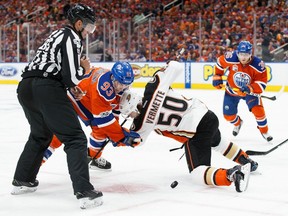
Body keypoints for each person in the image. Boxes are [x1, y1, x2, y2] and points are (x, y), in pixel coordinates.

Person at [11, 4, 103, 209]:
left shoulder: (57, 35)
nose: (88, 31)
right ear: (78, 23)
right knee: (75, 138)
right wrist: (84, 69)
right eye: (88, 26)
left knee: (40, 135)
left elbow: (60, 73)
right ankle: (84, 192)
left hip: (26, 87)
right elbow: (71, 75)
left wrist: (71, 88)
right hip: (46, 88)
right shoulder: (72, 36)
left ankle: (22, 180)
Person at [119, 60, 257, 192]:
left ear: (133, 108)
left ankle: (231, 175)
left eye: (129, 113)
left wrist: (116, 135)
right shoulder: (152, 87)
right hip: (208, 116)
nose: (131, 117)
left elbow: (136, 141)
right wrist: (166, 67)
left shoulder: (141, 123)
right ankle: (245, 159)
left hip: (197, 131)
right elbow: (176, 66)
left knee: (198, 172)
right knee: (217, 141)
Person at [42, 62, 141, 171]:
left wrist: (115, 133)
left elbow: (113, 112)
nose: (122, 87)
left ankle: (94, 157)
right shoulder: (104, 88)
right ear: (113, 78)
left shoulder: (118, 85)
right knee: (62, 133)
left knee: (100, 130)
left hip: (87, 98)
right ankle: (33, 166)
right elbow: (105, 122)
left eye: (126, 84)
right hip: (73, 97)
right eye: (120, 83)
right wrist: (123, 137)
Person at [212, 40, 273, 142]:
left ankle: (264, 131)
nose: (243, 57)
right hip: (232, 92)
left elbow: (262, 84)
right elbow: (219, 63)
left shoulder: (258, 65)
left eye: (246, 54)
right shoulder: (231, 57)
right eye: (241, 54)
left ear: (250, 53)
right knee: (228, 116)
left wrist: (250, 88)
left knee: (258, 111)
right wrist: (217, 76)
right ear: (237, 53)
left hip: (250, 92)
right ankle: (238, 123)